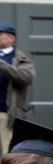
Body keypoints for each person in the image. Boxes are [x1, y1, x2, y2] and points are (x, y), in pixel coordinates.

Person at [0, 22, 35, 155]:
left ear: (11, 38)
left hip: (6, 114)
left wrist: (2, 65)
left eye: (0, 34)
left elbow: (26, 78)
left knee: (8, 154)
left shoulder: (21, 59)